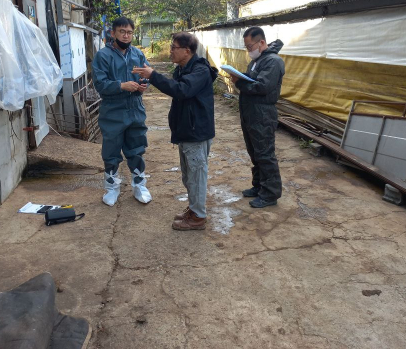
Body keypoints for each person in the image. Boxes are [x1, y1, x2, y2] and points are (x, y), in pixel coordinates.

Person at [133, 32, 218, 230]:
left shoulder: (199, 71)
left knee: (196, 175)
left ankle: (198, 217)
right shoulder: (182, 69)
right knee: (188, 175)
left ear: (186, 51)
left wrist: (153, 75)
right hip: (187, 130)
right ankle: (194, 208)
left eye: (174, 48)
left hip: (196, 132)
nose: (170, 51)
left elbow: (181, 90)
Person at [92, 17, 151, 206]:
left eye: (129, 32)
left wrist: (144, 85)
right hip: (113, 110)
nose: (126, 36)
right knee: (111, 151)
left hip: (135, 108)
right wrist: (121, 85)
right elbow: (100, 84)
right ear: (113, 33)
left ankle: (139, 185)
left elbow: (146, 75)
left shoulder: (138, 54)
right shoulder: (103, 56)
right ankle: (111, 188)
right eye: (122, 32)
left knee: (136, 149)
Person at [229, 27, 285, 208]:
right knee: (254, 152)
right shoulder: (258, 61)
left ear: (261, 42)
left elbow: (262, 87)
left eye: (250, 46)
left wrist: (240, 82)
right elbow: (252, 79)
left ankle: (270, 194)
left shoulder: (273, 62)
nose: (248, 50)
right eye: (246, 47)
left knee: (264, 153)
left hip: (262, 113)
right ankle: (259, 185)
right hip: (250, 112)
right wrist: (241, 77)